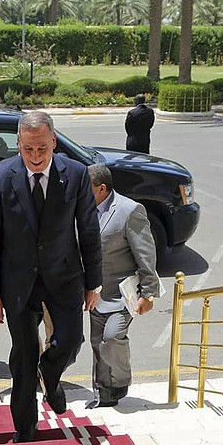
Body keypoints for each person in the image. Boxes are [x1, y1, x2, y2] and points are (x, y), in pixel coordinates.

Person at [0, 111, 102, 443]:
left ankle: (50, 374)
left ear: (54, 142)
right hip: (17, 282)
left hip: (64, 276)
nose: (35, 157)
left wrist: (94, 282)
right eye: (28, 149)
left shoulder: (75, 174)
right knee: (23, 354)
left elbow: (88, 231)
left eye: (42, 150)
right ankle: (25, 426)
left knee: (71, 340)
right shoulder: (0, 178)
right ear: (17, 144)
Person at [87, 164, 160, 408]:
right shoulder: (83, 210)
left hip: (122, 294)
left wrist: (149, 293)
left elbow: (145, 254)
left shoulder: (130, 211)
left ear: (102, 189)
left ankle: (119, 383)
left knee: (111, 338)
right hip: (95, 293)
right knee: (97, 343)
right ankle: (103, 394)